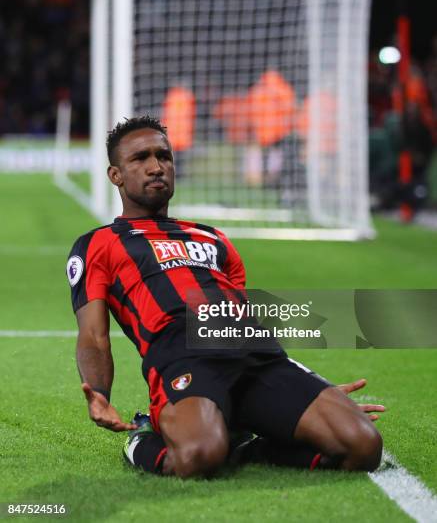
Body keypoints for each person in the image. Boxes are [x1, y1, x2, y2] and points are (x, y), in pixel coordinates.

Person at [67, 115, 384, 478]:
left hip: (256, 356)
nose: (157, 167)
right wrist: (100, 394)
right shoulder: (96, 244)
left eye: (164, 156)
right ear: (116, 176)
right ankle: (143, 439)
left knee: (362, 445)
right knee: (200, 456)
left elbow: (242, 317)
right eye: (140, 159)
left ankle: (252, 448)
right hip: (182, 356)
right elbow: (93, 335)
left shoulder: (212, 238)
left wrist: (303, 389)